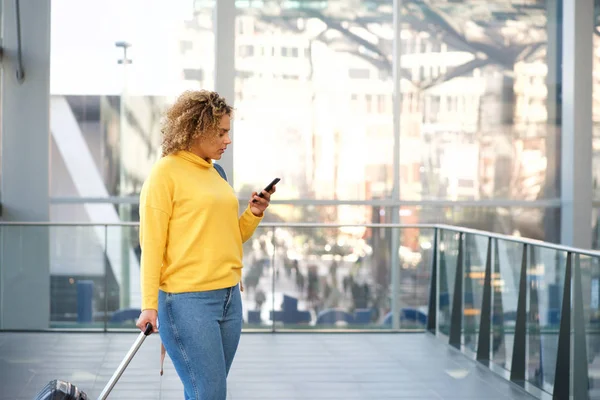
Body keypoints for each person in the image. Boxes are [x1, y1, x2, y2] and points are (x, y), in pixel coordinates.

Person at [136, 90, 275, 400]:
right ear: (197, 128)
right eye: (222, 132)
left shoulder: (216, 172)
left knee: (204, 392)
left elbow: (228, 236)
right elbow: (152, 245)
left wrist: (253, 214)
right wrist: (149, 305)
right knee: (209, 394)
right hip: (187, 302)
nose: (228, 140)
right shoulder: (164, 174)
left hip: (229, 298)